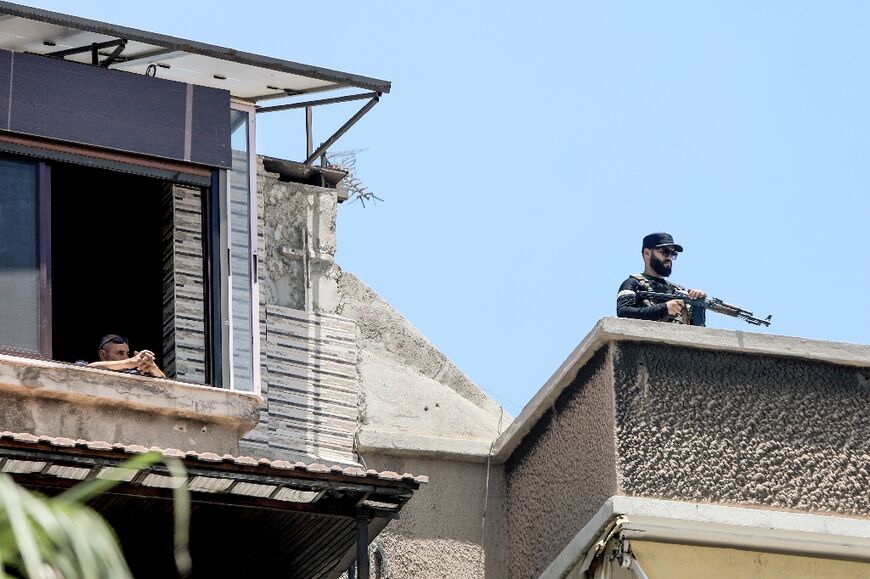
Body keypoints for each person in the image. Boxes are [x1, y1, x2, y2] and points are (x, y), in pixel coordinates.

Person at [616, 232, 708, 326]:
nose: (669, 257)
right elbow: (623, 312)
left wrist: (699, 304)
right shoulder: (633, 283)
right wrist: (664, 309)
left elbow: (697, 329)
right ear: (647, 253)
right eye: (665, 252)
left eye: (673, 254)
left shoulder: (678, 291)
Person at [82, 334, 165, 377]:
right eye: (120, 353)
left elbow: (168, 388)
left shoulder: (136, 374)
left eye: (127, 353)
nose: (126, 357)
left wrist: (153, 368)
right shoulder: (85, 366)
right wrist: (130, 362)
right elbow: (85, 369)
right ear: (102, 354)